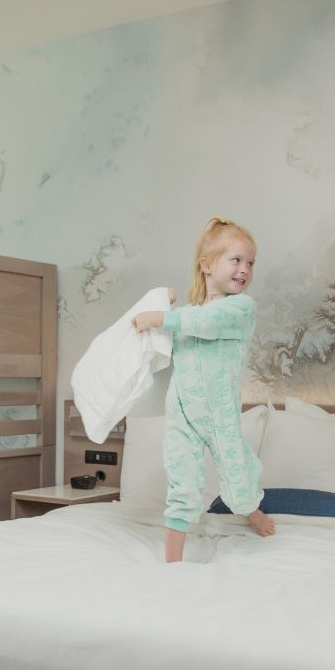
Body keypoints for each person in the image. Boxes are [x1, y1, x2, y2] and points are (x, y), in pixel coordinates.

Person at [132, 217, 276, 562]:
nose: (244, 269)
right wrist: (163, 304)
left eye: (250, 263)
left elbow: (204, 324)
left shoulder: (240, 308)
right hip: (182, 410)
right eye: (236, 260)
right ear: (207, 266)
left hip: (219, 409)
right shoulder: (185, 314)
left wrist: (160, 317)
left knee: (236, 469)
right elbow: (169, 334)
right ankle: (172, 562)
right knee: (182, 483)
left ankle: (250, 510)